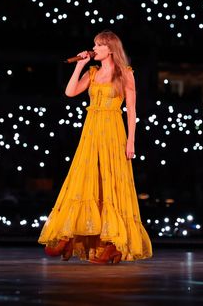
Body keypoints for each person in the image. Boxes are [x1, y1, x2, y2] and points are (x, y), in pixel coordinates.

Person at [38, 30, 152, 264]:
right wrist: (79, 65)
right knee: (84, 179)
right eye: (94, 45)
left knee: (111, 182)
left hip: (113, 131)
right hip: (91, 132)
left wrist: (131, 141)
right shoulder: (92, 72)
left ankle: (113, 244)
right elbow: (70, 92)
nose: (94, 49)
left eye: (98, 46)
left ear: (110, 49)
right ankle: (69, 235)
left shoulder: (125, 74)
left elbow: (132, 110)